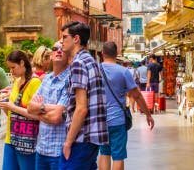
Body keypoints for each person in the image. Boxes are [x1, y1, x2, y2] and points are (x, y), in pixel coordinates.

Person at [97, 42, 154, 170]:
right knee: (118, 156)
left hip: (100, 120)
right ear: (117, 54)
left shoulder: (96, 70)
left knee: (104, 153)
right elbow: (137, 96)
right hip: (117, 120)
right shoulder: (123, 72)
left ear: (102, 54)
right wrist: (148, 114)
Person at [60, 21, 108, 170]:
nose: (61, 41)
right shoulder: (90, 61)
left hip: (81, 137)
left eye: (64, 37)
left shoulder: (78, 63)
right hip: (92, 136)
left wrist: (68, 142)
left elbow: (81, 108)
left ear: (76, 39)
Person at [27, 40, 71, 170]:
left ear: (68, 55)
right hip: (41, 148)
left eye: (62, 48)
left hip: (59, 150)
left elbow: (57, 118)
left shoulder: (70, 80)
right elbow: (30, 107)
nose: (58, 50)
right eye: (55, 48)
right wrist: (47, 108)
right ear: (51, 55)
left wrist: (39, 109)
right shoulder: (47, 79)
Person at [0, 50, 41, 170]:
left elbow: (37, 115)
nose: (11, 71)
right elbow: (12, 114)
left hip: (27, 139)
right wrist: (5, 105)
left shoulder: (35, 83)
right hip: (11, 136)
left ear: (22, 63)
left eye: (13, 67)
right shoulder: (16, 82)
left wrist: (12, 107)